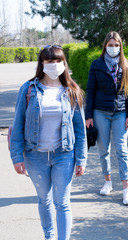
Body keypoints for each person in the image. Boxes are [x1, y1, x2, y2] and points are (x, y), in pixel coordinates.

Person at [10, 45, 87, 240]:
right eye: (49, 61)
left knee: (62, 202)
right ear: (42, 63)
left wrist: (81, 159)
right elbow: (18, 123)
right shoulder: (28, 89)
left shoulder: (71, 90)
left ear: (64, 63)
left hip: (64, 154)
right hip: (35, 155)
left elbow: (79, 128)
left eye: (58, 61)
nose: (54, 65)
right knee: (44, 200)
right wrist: (17, 156)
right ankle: (49, 236)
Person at [85, 31, 128, 205]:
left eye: (116, 45)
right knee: (103, 149)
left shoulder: (127, 66)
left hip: (120, 113)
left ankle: (126, 190)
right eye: (110, 45)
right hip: (100, 112)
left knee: (122, 150)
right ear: (105, 45)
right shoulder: (96, 65)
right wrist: (88, 115)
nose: (113, 48)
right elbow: (90, 91)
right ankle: (107, 182)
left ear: (121, 46)